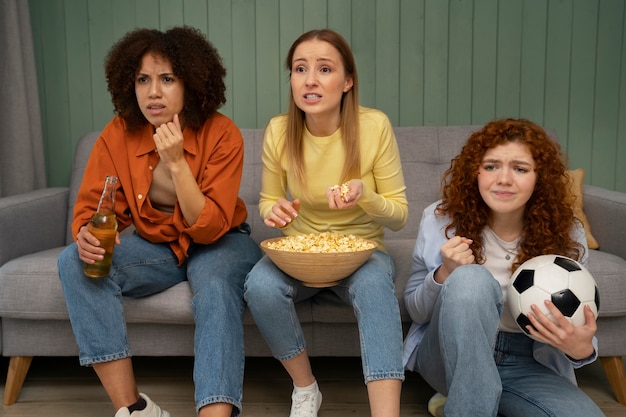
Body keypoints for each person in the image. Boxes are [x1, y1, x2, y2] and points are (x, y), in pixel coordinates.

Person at [58, 26, 261, 417]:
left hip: (221, 241)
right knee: (74, 261)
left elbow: (207, 227)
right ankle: (134, 409)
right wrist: (86, 233)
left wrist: (176, 162)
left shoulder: (222, 133)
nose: (153, 92)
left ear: (190, 82)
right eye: (143, 80)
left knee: (216, 287)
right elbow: (93, 207)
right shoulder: (117, 134)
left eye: (167, 79)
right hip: (159, 247)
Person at [243, 29, 408, 417]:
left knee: (374, 289)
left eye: (324, 69)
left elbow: (400, 215)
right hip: (299, 253)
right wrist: (274, 211)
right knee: (259, 287)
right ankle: (305, 388)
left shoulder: (375, 126)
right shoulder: (278, 131)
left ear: (347, 81)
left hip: (362, 253)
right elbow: (269, 200)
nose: (310, 80)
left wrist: (363, 194)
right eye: (300, 69)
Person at [402, 118, 605, 417]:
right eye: (491, 166)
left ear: (540, 177)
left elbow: (577, 318)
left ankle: (469, 400)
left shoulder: (567, 233)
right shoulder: (440, 220)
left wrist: (582, 350)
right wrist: (445, 273)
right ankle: (469, 401)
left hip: (527, 361)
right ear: (476, 172)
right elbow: (416, 312)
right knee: (471, 280)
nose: (504, 179)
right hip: (448, 355)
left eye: (520, 169)